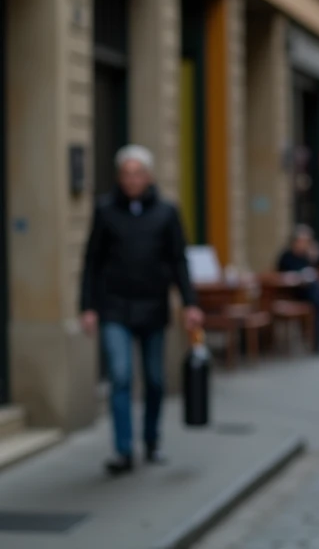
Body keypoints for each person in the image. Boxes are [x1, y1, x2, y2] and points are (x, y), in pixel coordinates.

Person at [79, 145, 204, 475]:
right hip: (114, 307)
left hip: (152, 306)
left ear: (148, 177)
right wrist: (88, 307)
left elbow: (179, 260)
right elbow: (92, 260)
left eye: (137, 173)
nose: (132, 180)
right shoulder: (105, 211)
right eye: (126, 174)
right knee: (120, 376)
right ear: (119, 177)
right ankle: (123, 450)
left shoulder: (166, 212)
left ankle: (151, 440)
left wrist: (190, 303)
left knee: (155, 380)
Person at [277, 225, 319, 355]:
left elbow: (313, 271)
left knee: (318, 300)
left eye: (307, 242)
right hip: (293, 293)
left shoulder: (305, 256)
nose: (304, 244)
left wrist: (313, 258)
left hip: (308, 291)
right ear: (295, 241)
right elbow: (282, 276)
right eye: (302, 241)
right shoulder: (286, 256)